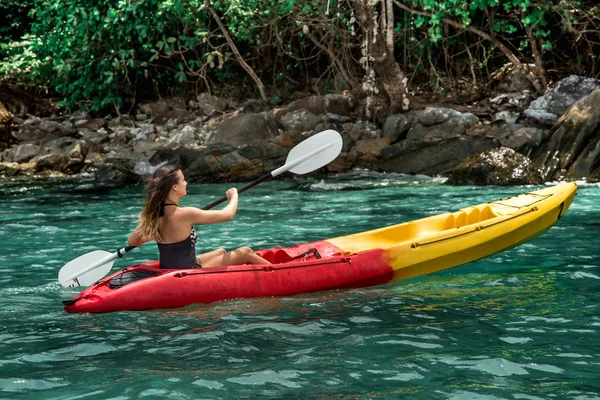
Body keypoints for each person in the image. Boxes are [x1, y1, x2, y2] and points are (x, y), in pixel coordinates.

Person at [128, 165, 270, 269]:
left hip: (170, 268)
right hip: (188, 270)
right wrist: (234, 197)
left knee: (221, 251)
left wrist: (156, 234)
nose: (186, 183)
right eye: (183, 180)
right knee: (246, 252)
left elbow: (133, 242)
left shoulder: (154, 216)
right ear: (174, 187)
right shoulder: (185, 214)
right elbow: (227, 215)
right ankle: (276, 272)